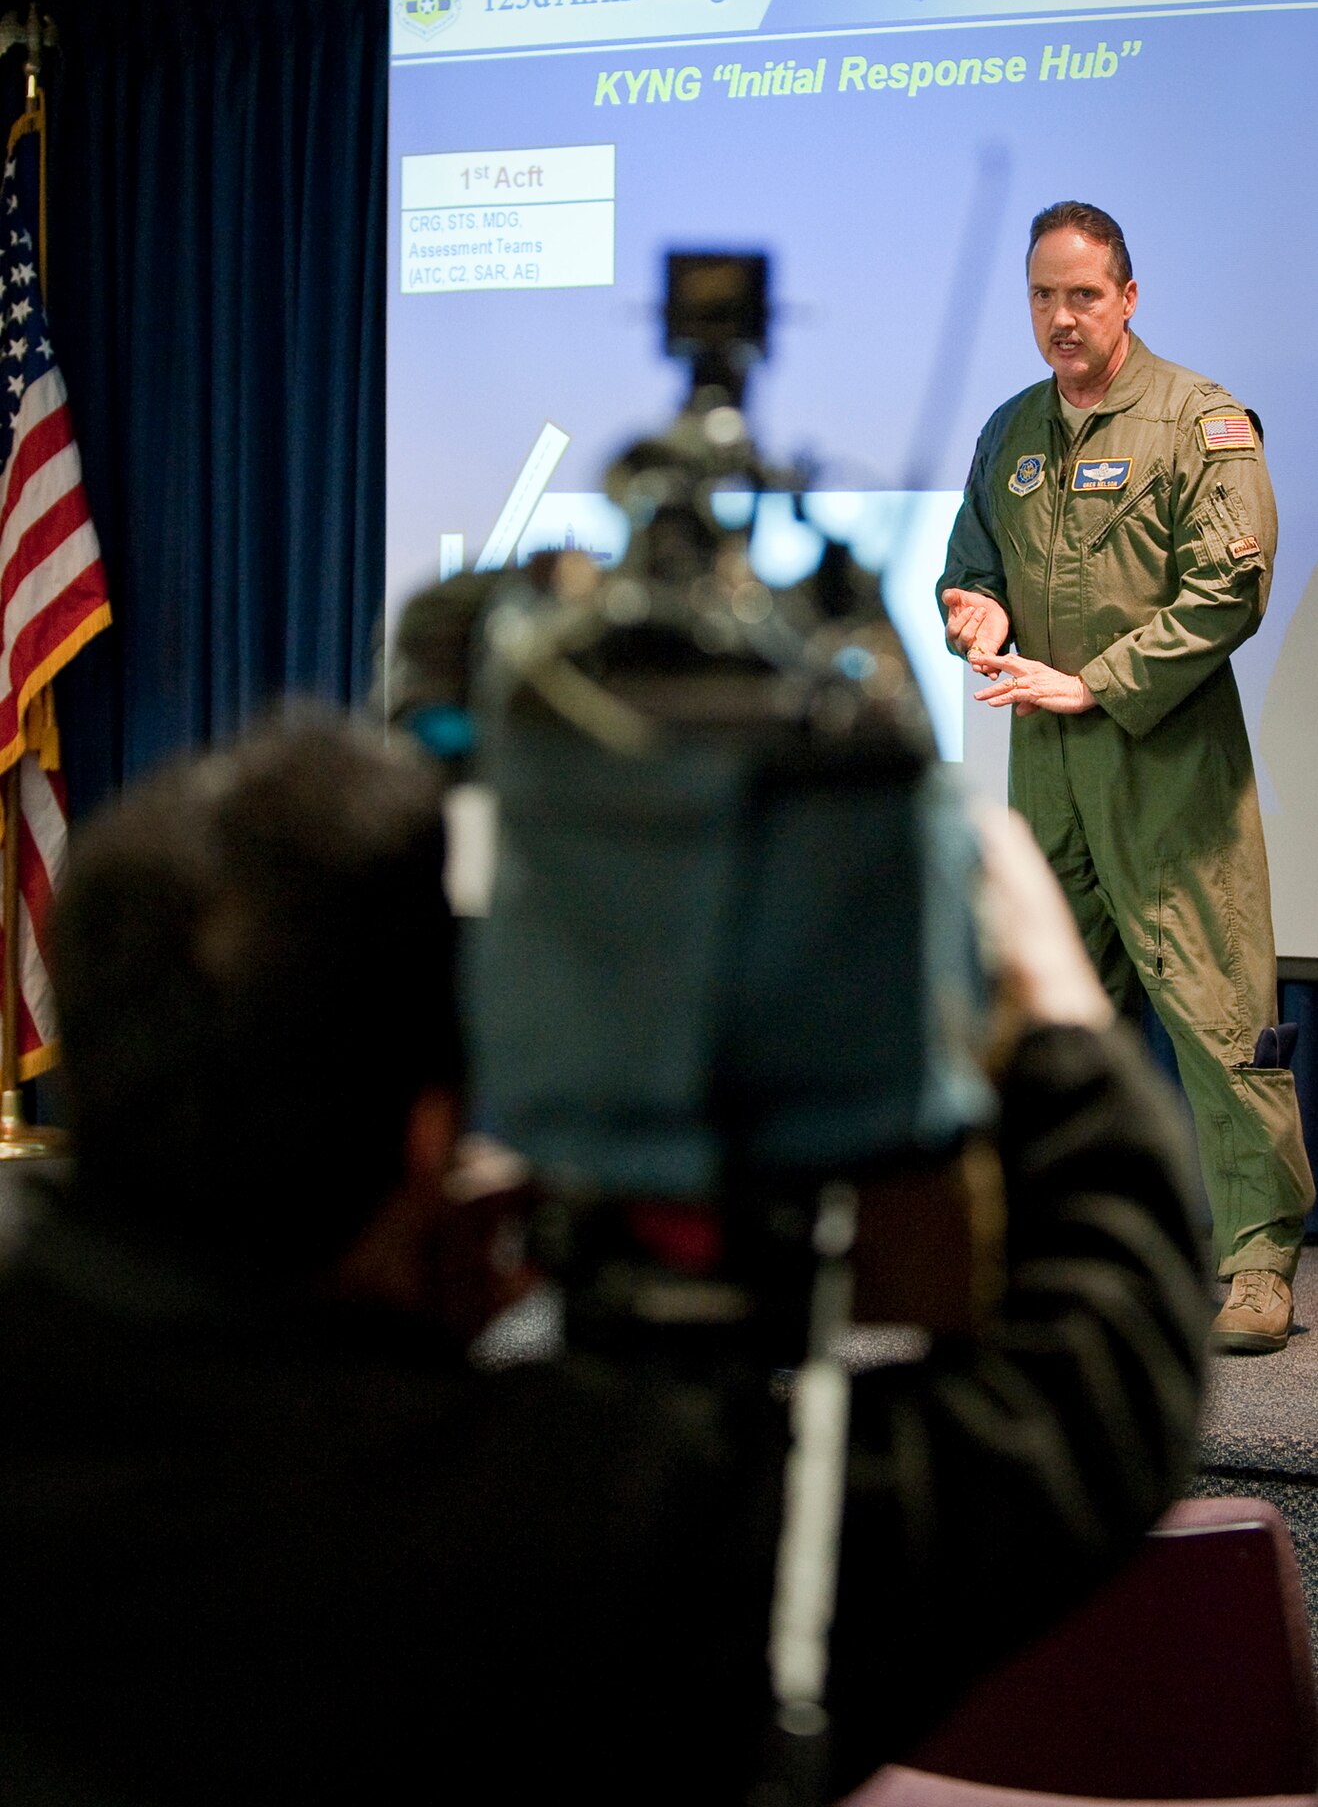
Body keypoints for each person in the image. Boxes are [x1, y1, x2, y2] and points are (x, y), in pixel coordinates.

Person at [0, 707, 1206, 1805]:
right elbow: (1086, 1393)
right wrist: (1052, 1004)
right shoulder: (557, 1527)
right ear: (433, 1133)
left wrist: (400, 1285)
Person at [938, 199, 1314, 1355]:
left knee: (1213, 1010)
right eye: (1044, 295)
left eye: (1083, 295)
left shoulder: (1199, 420)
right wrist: (972, 610)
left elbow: (1229, 592)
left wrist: (1094, 680)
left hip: (1164, 763)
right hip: (1043, 769)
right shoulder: (1010, 431)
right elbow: (967, 566)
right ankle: (1056, 1247)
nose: (1061, 317)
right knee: (1048, 1021)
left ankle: (1255, 1260)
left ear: (1128, 296)